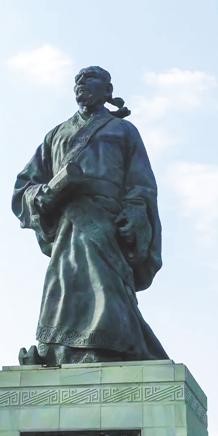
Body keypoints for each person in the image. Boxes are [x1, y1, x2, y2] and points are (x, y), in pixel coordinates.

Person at [12, 66, 168, 365]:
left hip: (106, 219)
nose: (82, 82)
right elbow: (25, 184)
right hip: (68, 219)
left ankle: (107, 346)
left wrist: (135, 211)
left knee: (105, 281)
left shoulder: (123, 130)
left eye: (91, 78)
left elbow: (141, 182)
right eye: (78, 80)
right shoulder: (56, 134)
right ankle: (56, 349)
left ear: (107, 91)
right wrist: (41, 195)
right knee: (64, 282)